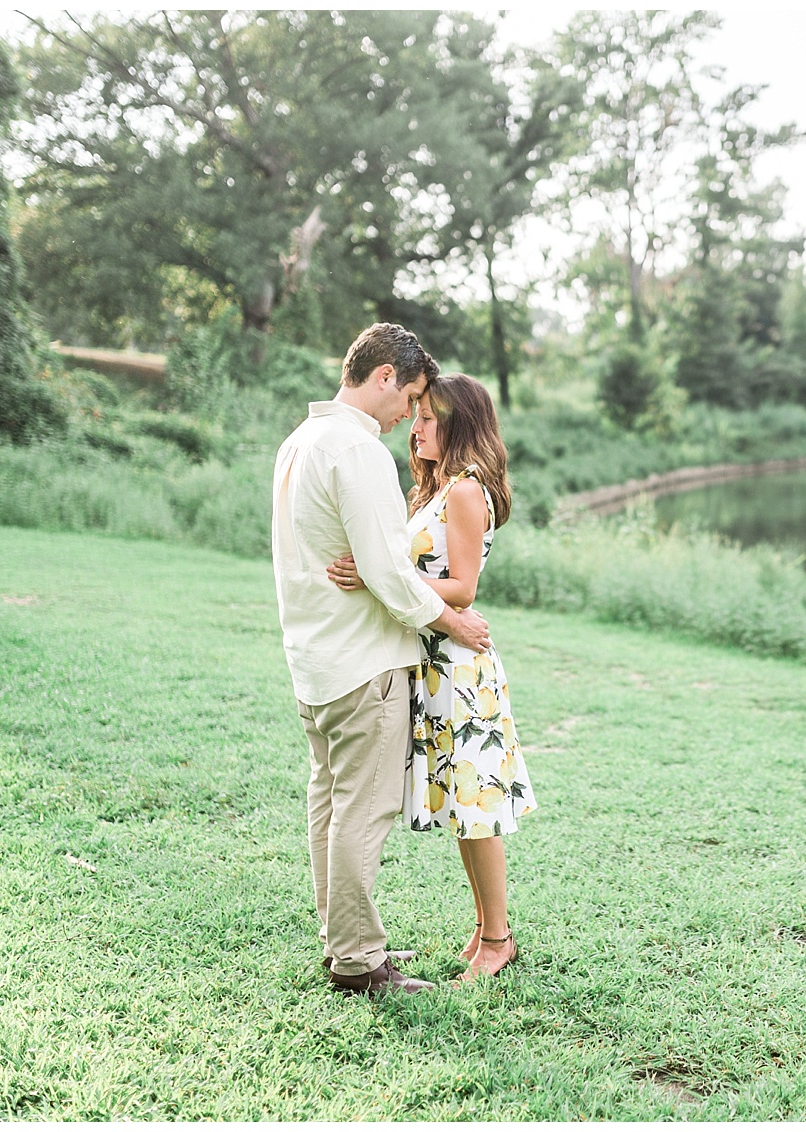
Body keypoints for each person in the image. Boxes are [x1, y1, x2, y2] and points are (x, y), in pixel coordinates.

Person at [272, 323, 492, 997]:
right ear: (385, 377)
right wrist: (455, 620)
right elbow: (388, 573)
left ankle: (338, 939)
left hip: (312, 658)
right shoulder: (356, 451)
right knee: (362, 812)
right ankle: (361, 962)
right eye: (412, 398)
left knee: (331, 805)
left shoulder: (299, 441)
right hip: (362, 662)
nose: (408, 417)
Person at [328, 371, 536, 983]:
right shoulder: (439, 488)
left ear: (458, 424)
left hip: (460, 669)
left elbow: (465, 588)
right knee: (463, 810)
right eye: (415, 416)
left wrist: (376, 575)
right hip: (433, 662)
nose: (414, 428)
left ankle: (498, 940)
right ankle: (484, 929)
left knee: (476, 808)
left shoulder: (469, 490)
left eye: (427, 418)